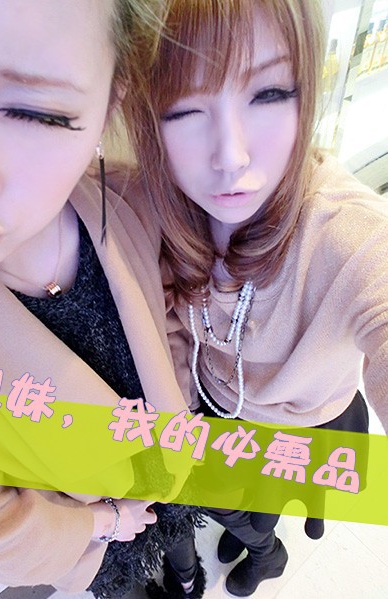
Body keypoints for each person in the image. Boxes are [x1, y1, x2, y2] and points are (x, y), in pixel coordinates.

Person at [123, 0, 388, 596]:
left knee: (257, 515)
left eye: (268, 94)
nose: (231, 156)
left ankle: (266, 556)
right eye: (185, 108)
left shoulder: (349, 235)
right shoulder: (152, 206)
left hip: (297, 426)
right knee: (220, 502)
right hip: (211, 406)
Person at [0, 1, 202, 596]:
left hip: (173, 471)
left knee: (183, 553)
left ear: (112, 99)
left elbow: (172, 319)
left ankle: (188, 573)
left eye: (35, 112)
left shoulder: (131, 201)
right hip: (98, 533)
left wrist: (180, 413)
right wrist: (104, 522)